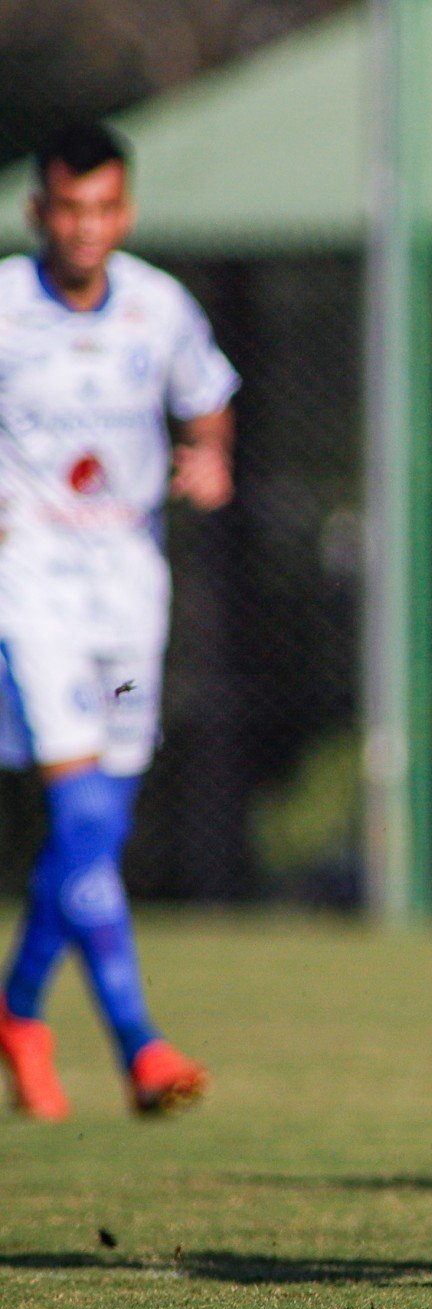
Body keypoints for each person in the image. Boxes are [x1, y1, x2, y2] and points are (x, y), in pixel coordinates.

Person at [0, 123, 236, 1121]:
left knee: (107, 813)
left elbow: (209, 400)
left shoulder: (159, 307)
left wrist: (209, 455)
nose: (87, 227)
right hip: (30, 590)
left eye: (104, 209)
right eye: (69, 208)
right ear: (38, 211)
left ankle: (17, 1007)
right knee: (84, 810)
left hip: (130, 595)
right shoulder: (4, 305)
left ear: (124, 211)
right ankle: (140, 1043)